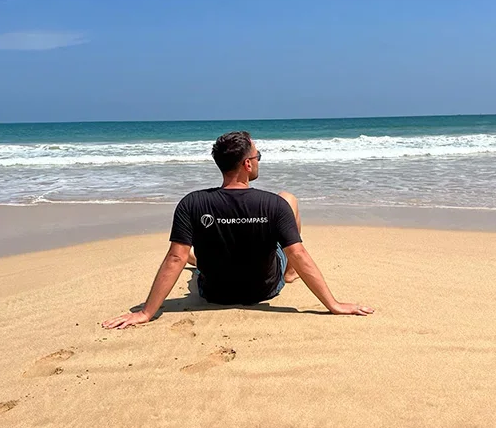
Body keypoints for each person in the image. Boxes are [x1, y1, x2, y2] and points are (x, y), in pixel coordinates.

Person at [103, 131, 373, 329]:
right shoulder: (274, 204)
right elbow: (298, 253)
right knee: (289, 199)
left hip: (215, 293)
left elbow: (175, 257)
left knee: (191, 254)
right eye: (258, 156)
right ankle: (290, 274)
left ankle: (196, 260)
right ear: (247, 164)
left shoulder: (192, 203)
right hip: (264, 291)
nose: (258, 161)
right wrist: (334, 305)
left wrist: (146, 313)